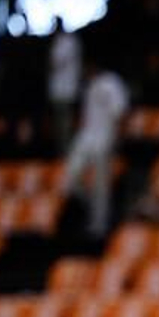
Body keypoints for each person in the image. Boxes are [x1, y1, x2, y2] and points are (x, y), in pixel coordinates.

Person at [61, 57, 130, 238]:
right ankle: (89, 202)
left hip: (105, 137)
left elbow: (120, 111)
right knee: (71, 177)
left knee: (102, 186)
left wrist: (119, 139)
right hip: (86, 137)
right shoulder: (88, 85)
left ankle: (98, 226)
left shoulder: (111, 82)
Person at [47, 30, 82, 155]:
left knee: (68, 125)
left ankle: (69, 151)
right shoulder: (58, 41)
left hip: (68, 90)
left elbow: (56, 61)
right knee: (58, 126)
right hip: (58, 91)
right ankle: (61, 151)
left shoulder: (69, 41)